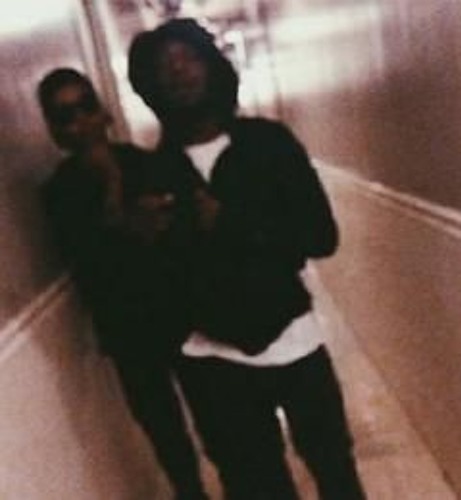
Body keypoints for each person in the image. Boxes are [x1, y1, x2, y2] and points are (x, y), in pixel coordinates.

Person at [128, 18, 366, 499]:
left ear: (212, 66)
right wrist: (142, 239)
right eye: (164, 66)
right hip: (211, 357)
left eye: (188, 58)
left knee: (335, 471)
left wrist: (233, 222)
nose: (178, 71)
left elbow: (321, 237)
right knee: (254, 486)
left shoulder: (269, 144)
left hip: (292, 338)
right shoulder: (150, 173)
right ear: (149, 85)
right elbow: (149, 290)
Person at [38, 68, 208, 500]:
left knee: (215, 417)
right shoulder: (59, 194)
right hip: (129, 334)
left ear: (104, 111)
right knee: (166, 435)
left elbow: (181, 234)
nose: (81, 121)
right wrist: (113, 188)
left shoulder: (145, 163)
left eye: (86, 106)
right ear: (55, 132)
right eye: (66, 115)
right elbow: (90, 263)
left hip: (182, 314)